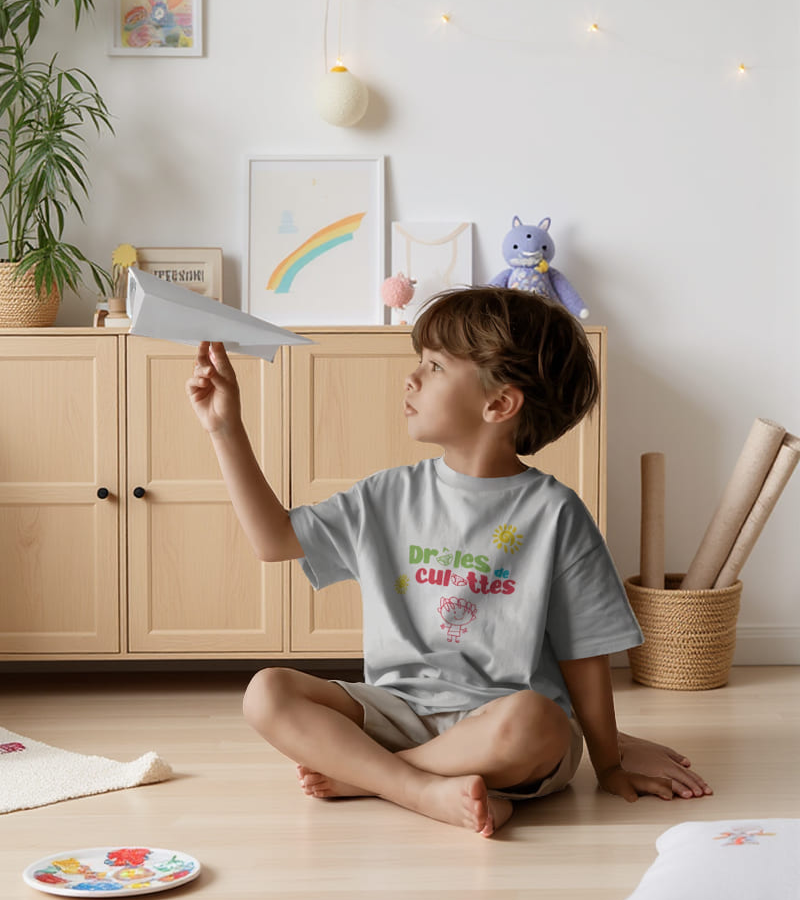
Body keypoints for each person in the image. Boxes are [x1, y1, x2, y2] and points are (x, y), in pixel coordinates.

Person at [186, 286, 712, 838]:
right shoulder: (384, 496)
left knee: (538, 722)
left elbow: (586, 655)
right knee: (267, 692)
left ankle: (377, 778)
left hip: (500, 725)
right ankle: (423, 788)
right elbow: (274, 540)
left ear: (500, 405)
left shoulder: (556, 514)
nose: (410, 379)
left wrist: (609, 763)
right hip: (395, 711)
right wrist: (224, 428)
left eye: (434, 366)